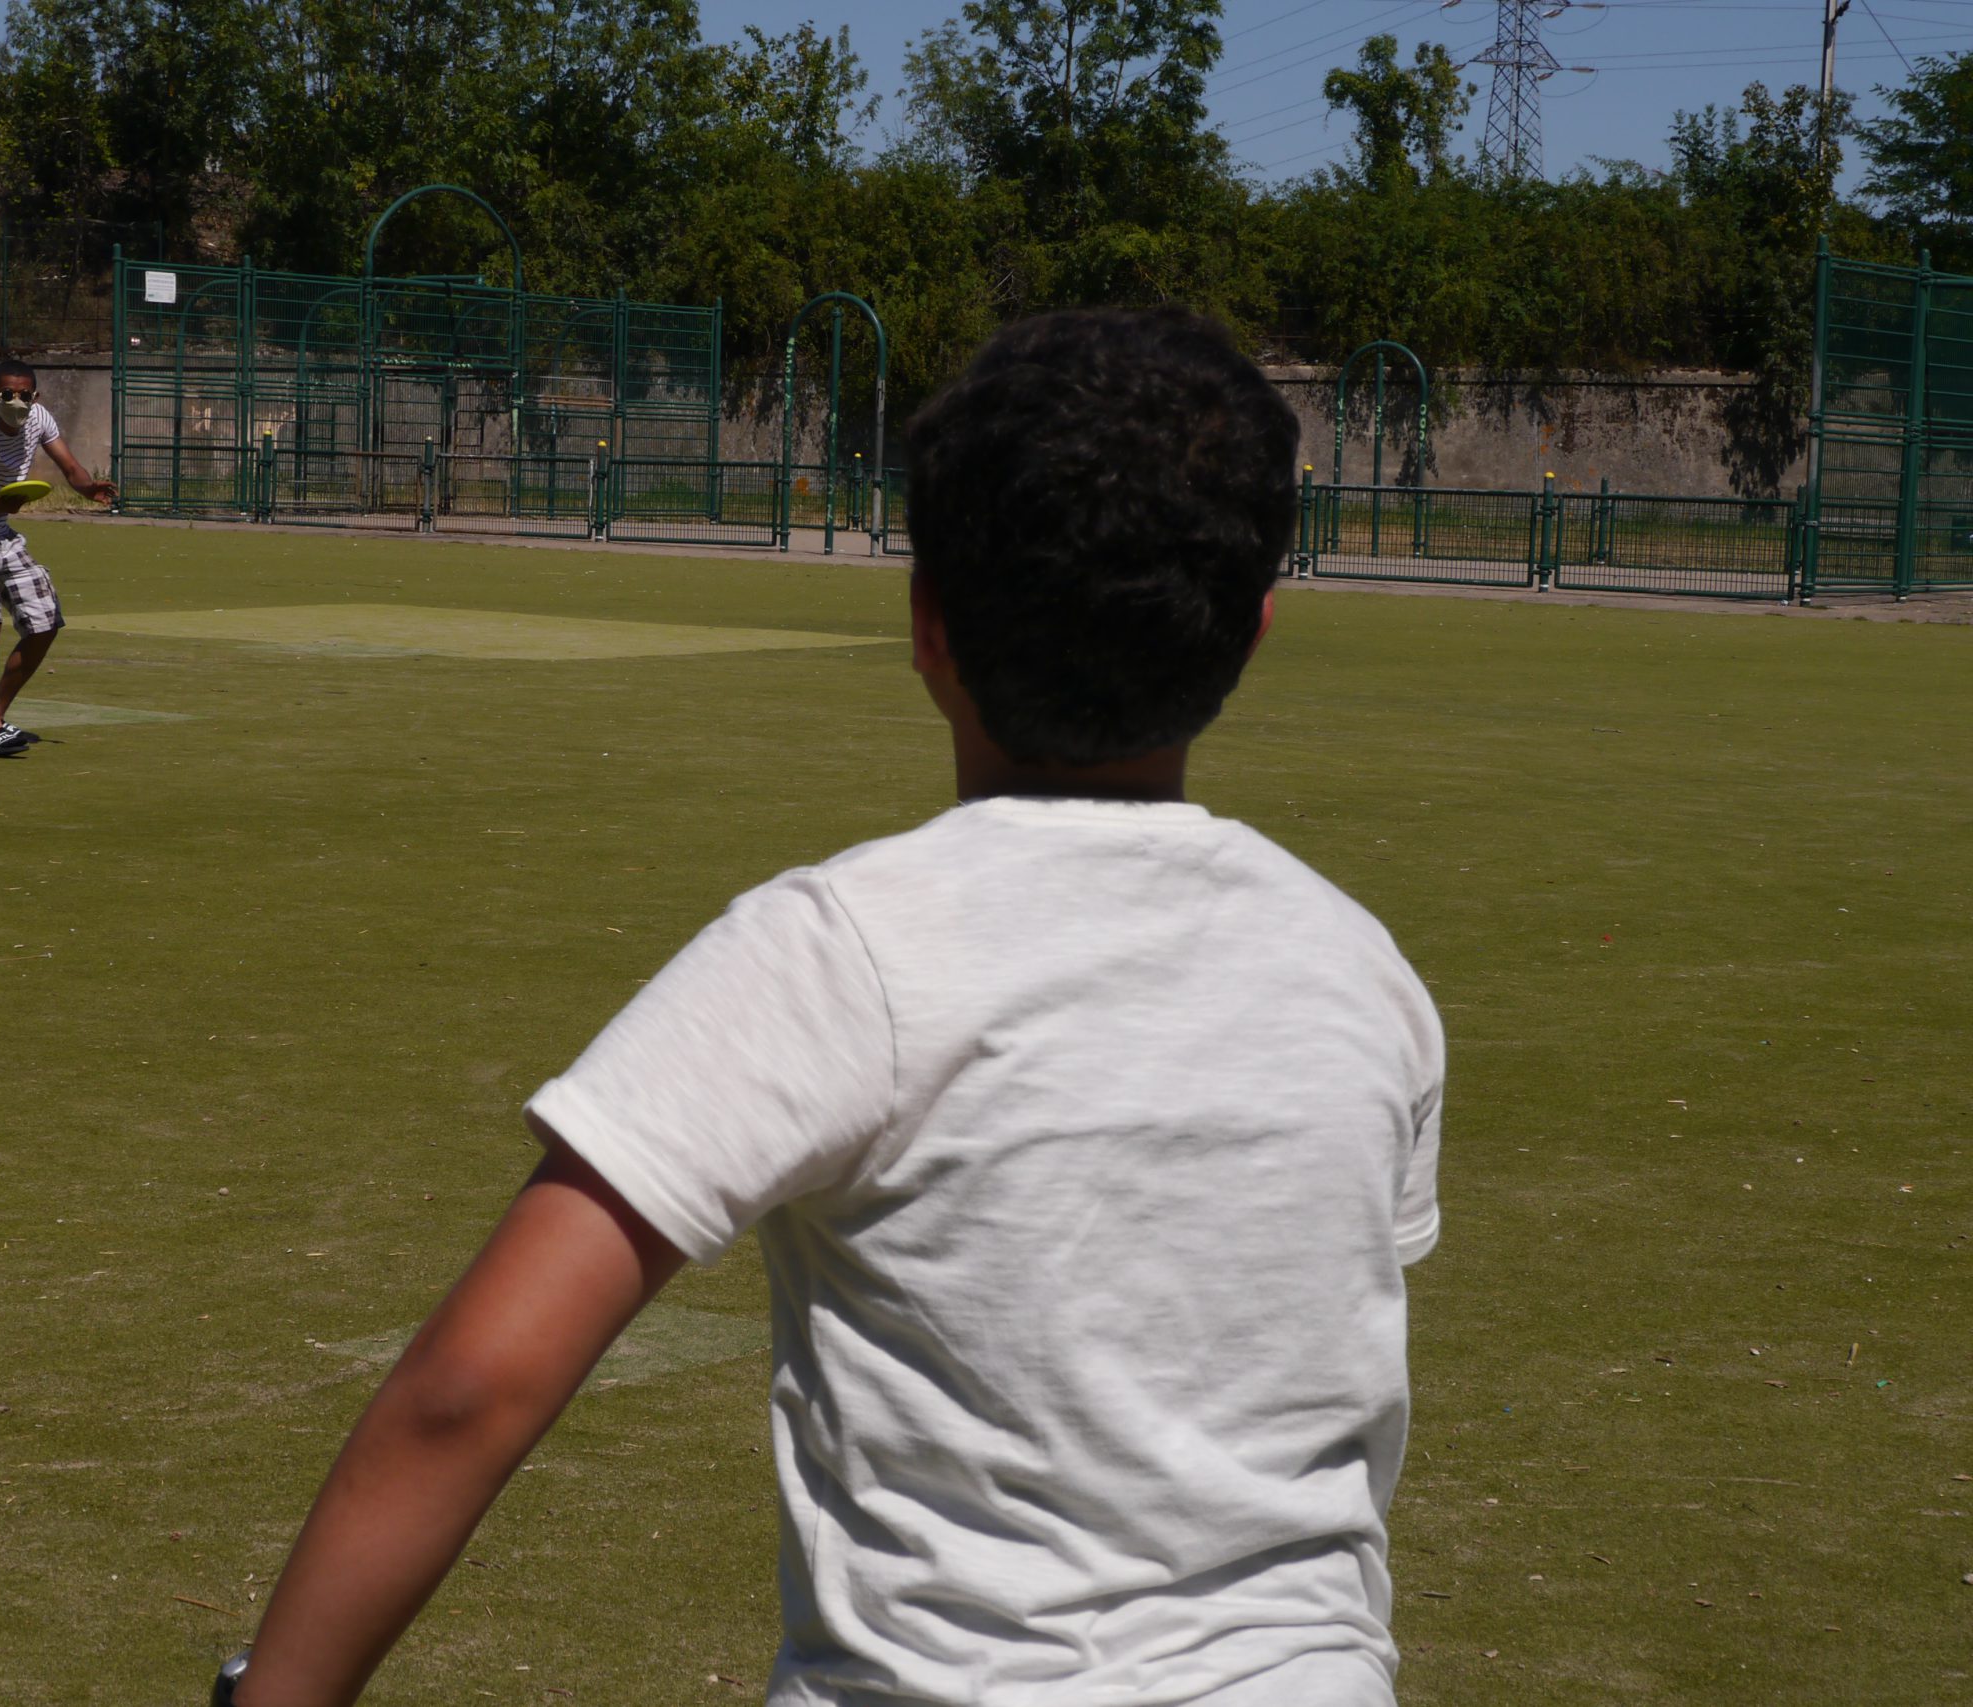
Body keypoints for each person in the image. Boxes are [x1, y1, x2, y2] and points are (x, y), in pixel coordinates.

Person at [219, 307, 1445, 1707]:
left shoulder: (844, 950)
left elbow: (473, 1386)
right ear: (1254, 627)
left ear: (928, 622)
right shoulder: (1362, 968)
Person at [0, 358, 114, 757]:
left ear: (35, 396)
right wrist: (8, 502)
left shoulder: (39, 418)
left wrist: (88, 488)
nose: (16, 401)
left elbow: (70, 466)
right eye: (7, 394)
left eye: (23, 395)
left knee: (45, 621)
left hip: (1, 532)